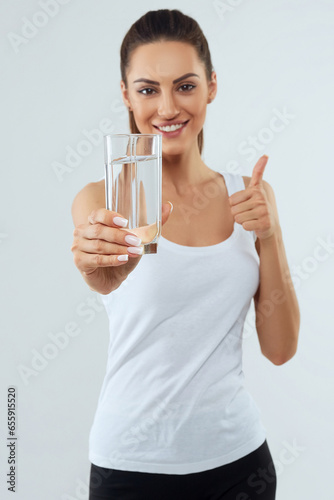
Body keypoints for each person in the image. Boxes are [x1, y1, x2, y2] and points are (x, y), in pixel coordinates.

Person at [71, 9, 300, 500]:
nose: (168, 107)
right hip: (130, 467)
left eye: (186, 85)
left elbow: (280, 350)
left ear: (212, 86)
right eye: (148, 89)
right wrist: (97, 265)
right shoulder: (104, 200)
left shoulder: (251, 194)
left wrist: (270, 232)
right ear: (126, 94)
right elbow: (101, 277)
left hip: (239, 464)